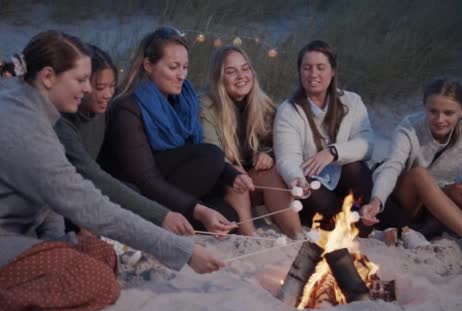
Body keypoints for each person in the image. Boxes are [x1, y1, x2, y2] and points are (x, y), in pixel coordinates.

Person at [0, 30, 223, 311]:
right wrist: (182, 250)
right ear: (47, 77)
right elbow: (92, 207)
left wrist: (58, 244)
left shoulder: (28, 109)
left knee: (99, 254)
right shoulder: (21, 127)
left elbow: (47, 199)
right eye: (81, 79)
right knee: (95, 282)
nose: (87, 89)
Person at [99, 27, 253, 235]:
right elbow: (146, 179)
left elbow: (187, 150)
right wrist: (198, 210)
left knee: (227, 215)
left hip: (168, 181)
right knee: (211, 156)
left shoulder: (183, 100)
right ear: (148, 66)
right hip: (138, 191)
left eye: (185, 67)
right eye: (173, 67)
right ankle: (160, 219)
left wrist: (231, 175)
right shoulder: (128, 107)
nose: (181, 75)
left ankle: (178, 217)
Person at [360, 77, 462, 265]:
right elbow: (393, 165)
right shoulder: (410, 127)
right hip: (404, 202)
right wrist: (377, 199)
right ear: (425, 107)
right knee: (420, 174)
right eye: (433, 111)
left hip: (439, 205)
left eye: (449, 113)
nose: (440, 119)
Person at [54, 44, 193, 236]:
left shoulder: (104, 108)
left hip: (93, 189)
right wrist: (162, 215)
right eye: (100, 87)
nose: (107, 94)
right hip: (62, 202)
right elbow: (90, 176)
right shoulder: (62, 123)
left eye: (111, 87)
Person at [273, 40, 378, 236]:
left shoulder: (352, 101)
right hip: (314, 184)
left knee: (356, 168)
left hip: (345, 177)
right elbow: (286, 158)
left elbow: (367, 143)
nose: (313, 74)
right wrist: (296, 179)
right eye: (307, 68)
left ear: (333, 71)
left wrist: (333, 152)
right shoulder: (289, 110)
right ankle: (354, 224)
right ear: (300, 72)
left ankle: (361, 218)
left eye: (321, 67)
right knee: (311, 193)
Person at [200, 45, 301, 237]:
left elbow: (282, 141)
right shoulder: (207, 108)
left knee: (271, 173)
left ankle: (296, 235)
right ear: (219, 77)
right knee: (235, 173)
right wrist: (234, 173)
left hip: (253, 182)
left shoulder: (262, 104)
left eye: (245, 69)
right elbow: (211, 152)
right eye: (231, 72)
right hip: (222, 180)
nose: (241, 76)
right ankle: (250, 236)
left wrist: (268, 154)